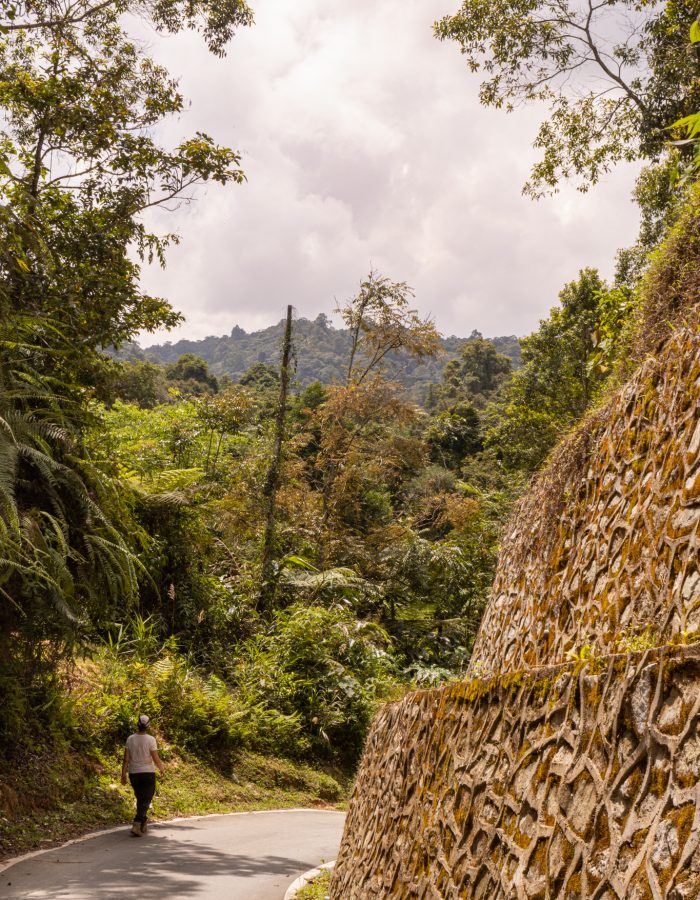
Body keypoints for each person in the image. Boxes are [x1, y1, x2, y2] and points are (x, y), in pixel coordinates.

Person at [121, 714, 165, 836]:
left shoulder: (130, 739)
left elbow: (126, 759)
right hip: (147, 772)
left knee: (141, 798)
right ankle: (137, 823)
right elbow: (155, 757)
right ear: (148, 726)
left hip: (134, 773)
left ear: (137, 724)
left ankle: (143, 822)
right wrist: (162, 768)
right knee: (146, 798)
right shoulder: (151, 739)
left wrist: (123, 774)